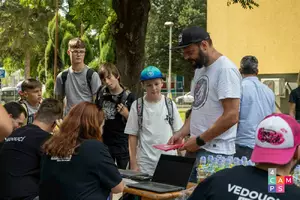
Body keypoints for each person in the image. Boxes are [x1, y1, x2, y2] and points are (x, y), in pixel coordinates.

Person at [168, 26, 241, 182]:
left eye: (189, 52)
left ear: (204, 45)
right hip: (196, 148)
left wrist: (200, 140)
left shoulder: (225, 70)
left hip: (215, 154)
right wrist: (181, 132)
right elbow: (198, 107)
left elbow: (232, 116)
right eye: (184, 53)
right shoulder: (200, 70)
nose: (186, 57)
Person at [188, 113, 300, 200]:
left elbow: (264, 181)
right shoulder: (292, 194)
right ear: (297, 152)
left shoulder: (221, 178)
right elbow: (273, 184)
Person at [39, 102, 124, 200]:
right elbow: (118, 187)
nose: (102, 131)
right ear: (94, 126)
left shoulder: (51, 145)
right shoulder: (94, 147)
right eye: (102, 126)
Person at [125, 66, 183, 175]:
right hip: (145, 163)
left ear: (162, 83)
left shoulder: (170, 105)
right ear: (143, 86)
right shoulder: (137, 106)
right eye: (149, 85)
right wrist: (133, 163)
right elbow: (132, 136)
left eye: (156, 84)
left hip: (168, 161)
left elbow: (179, 133)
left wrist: (182, 160)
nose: (154, 88)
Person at [0, 98, 63, 200]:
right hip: (28, 196)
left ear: (35, 115)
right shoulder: (48, 140)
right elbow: (60, 172)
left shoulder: (14, 133)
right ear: (54, 124)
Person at [95, 63, 136, 169]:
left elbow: (137, 125)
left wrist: (127, 115)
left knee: (123, 177)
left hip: (122, 145)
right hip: (104, 143)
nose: (107, 82)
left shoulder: (129, 97)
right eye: (104, 80)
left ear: (117, 76)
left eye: (109, 77)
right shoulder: (101, 93)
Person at [235, 56, 276, 159]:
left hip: (244, 145)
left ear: (240, 71)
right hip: (265, 145)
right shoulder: (269, 91)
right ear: (257, 71)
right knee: (269, 175)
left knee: (243, 175)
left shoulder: (238, 89)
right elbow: (272, 119)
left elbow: (234, 117)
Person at [54, 37, 101, 115]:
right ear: (69, 52)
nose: (79, 54)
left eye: (81, 52)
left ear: (84, 53)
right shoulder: (62, 76)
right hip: (69, 120)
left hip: (87, 120)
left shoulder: (92, 75)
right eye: (75, 51)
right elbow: (57, 101)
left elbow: (98, 103)